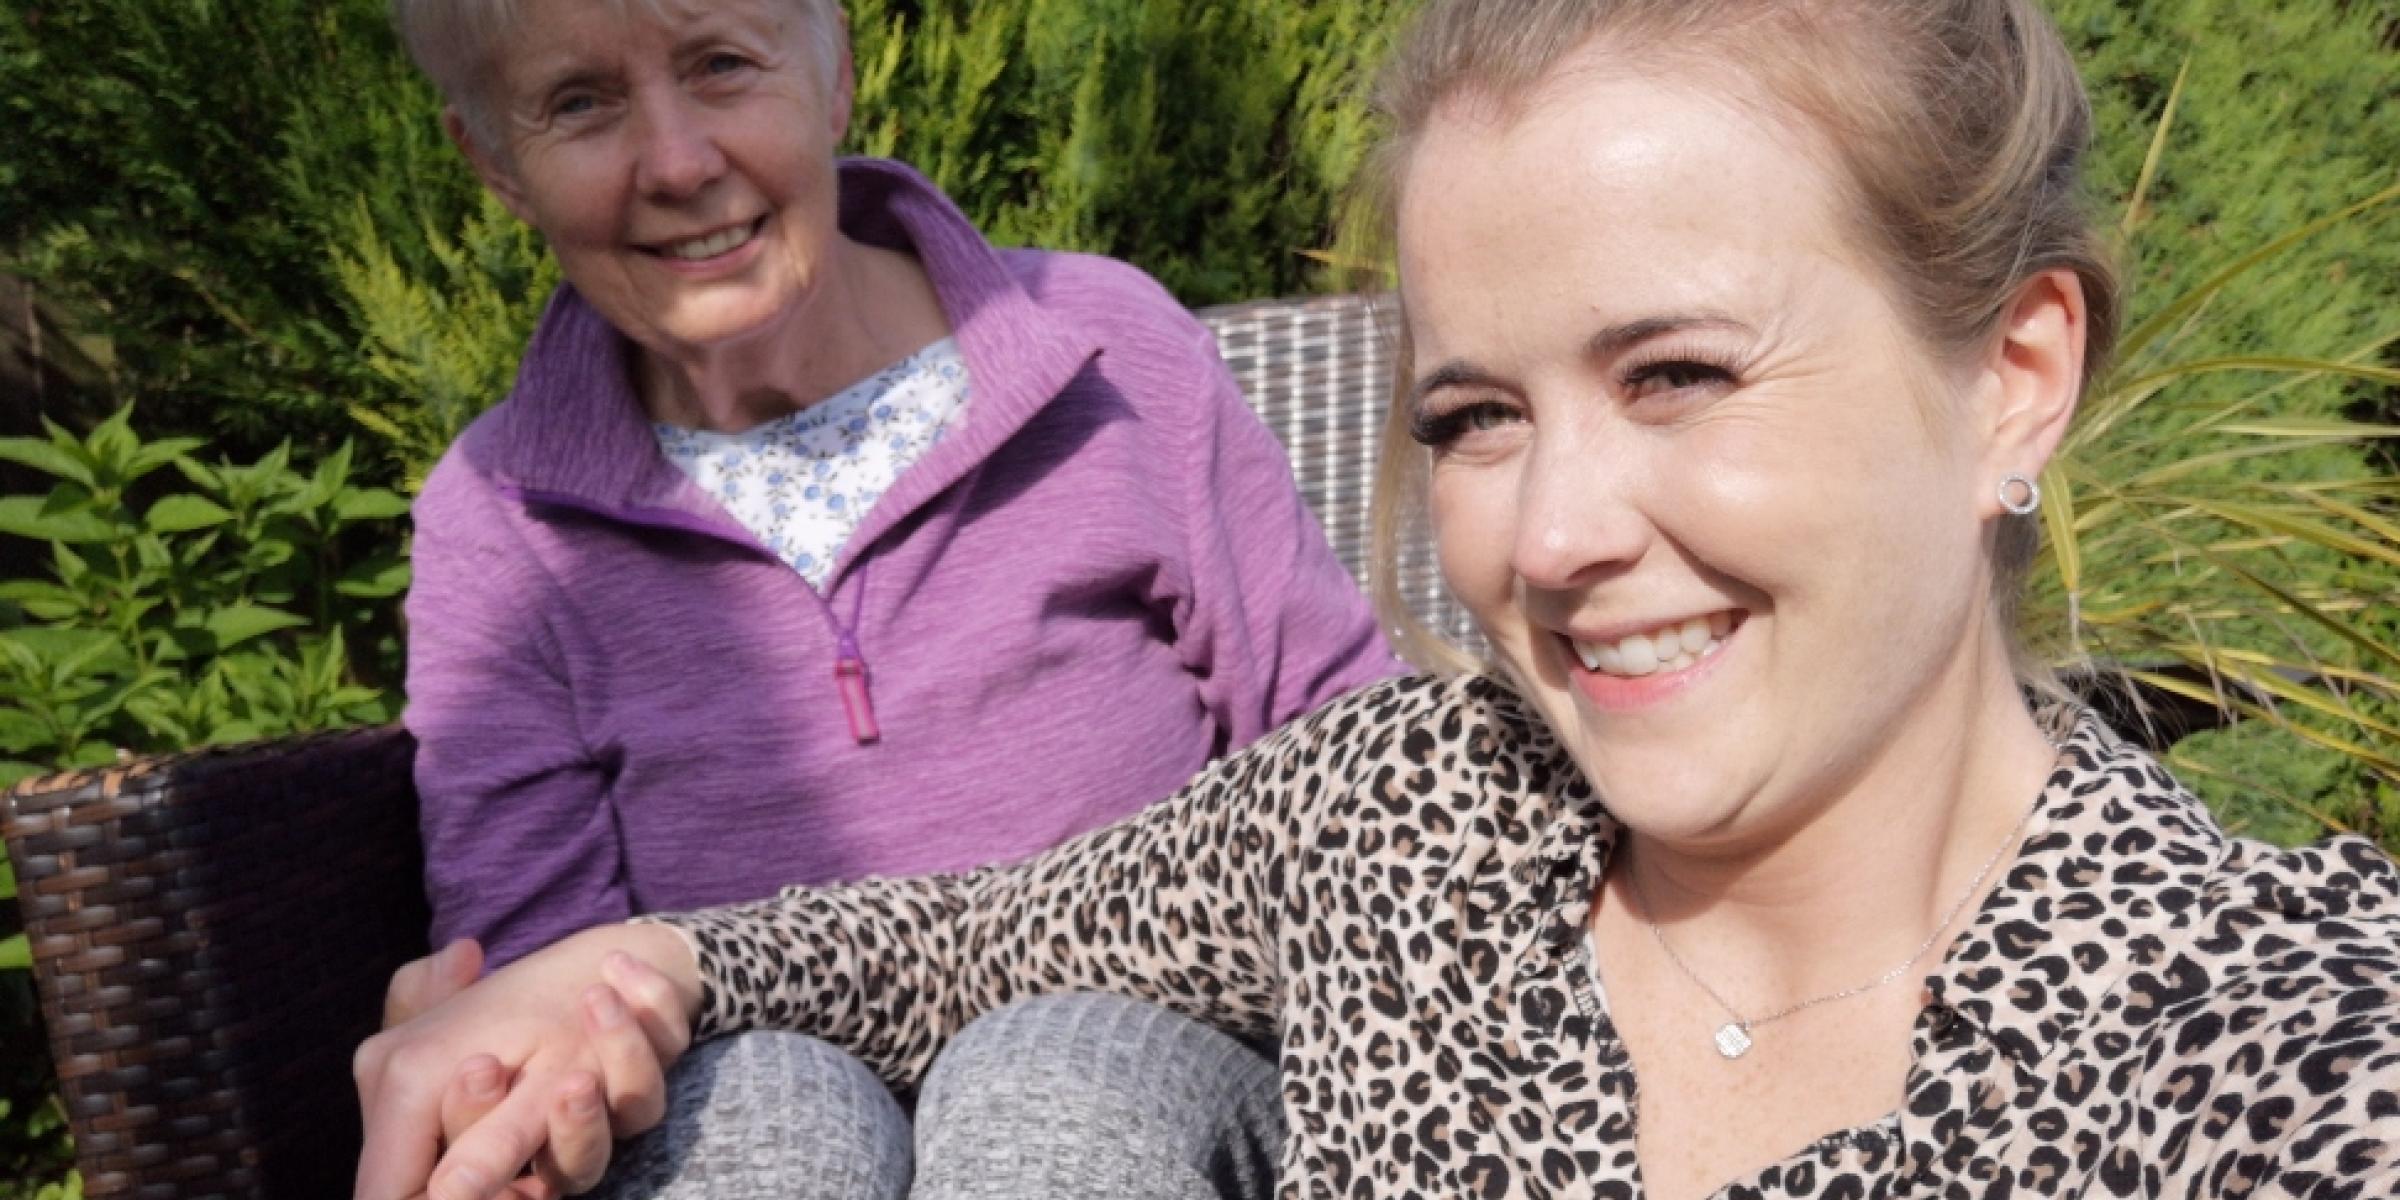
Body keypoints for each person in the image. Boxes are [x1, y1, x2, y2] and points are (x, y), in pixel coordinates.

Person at [357, 0, 2400, 1197]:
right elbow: (962, 924)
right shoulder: (1414, 819)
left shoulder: (2270, 1051)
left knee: (1063, 1074)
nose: (1554, 533)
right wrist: (610, 975)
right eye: (1478, 414)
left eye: (1678, 371)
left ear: (2013, 377)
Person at [382, 0, 1399, 1193]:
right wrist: (521, 1087)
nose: (676, 161)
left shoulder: (1106, 351)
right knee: (758, 1116)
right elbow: (557, 975)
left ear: (836, 77)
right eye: (579, 103)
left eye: (722, 66)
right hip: (742, 1062)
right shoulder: (500, 517)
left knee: (1055, 1078)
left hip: (1162, 1053)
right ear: (496, 163)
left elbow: (1342, 770)